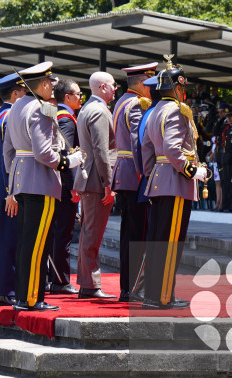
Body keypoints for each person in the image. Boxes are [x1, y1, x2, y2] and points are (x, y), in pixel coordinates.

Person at [4, 61, 85, 311]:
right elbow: (43, 153)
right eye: (50, 82)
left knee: (27, 241)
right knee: (38, 243)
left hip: (21, 179)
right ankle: (31, 298)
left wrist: (13, 182)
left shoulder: (16, 107)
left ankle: (24, 296)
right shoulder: (40, 110)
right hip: (40, 180)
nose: (52, 87)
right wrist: (70, 160)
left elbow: (8, 152)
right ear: (42, 84)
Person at [140, 58, 207, 309]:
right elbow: (173, 148)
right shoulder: (178, 110)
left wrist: (152, 174)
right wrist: (192, 171)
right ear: (178, 88)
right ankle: (163, 296)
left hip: (159, 179)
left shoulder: (154, 111)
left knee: (158, 239)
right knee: (170, 242)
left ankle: (152, 294)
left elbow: (146, 150)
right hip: (176, 181)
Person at [112, 63, 155, 302]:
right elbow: (138, 144)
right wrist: (146, 174)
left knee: (130, 232)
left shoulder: (121, 102)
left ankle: (128, 287)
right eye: (149, 83)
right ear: (141, 84)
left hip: (124, 173)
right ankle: (133, 287)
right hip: (135, 175)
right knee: (138, 234)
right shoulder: (137, 104)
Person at [74, 71, 118, 300]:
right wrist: (108, 184)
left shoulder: (88, 108)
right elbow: (102, 151)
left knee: (88, 233)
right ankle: (91, 285)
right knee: (92, 235)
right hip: (96, 181)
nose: (115, 88)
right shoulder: (100, 111)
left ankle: (87, 283)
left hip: (88, 178)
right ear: (102, 87)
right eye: (112, 85)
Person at [0, 73, 27, 306]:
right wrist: (12, 189)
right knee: (8, 241)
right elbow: (6, 157)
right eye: (24, 91)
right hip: (7, 188)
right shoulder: (10, 116)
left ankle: (0, 289)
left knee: (1, 240)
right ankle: (3, 291)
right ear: (15, 93)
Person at [49, 79, 82, 295]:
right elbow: (67, 152)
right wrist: (72, 186)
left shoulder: (58, 115)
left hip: (56, 183)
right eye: (78, 94)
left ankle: (54, 277)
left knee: (57, 232)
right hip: (64, 185)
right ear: (67, 97)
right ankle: (60, 280)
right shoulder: (66, 119)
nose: (81, 97)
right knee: (63, 233)